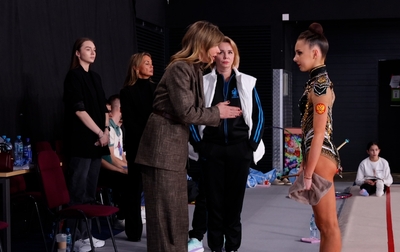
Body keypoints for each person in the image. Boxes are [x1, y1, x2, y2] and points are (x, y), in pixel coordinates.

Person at [134, 21, 242, 252]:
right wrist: (217, 112)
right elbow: (186, 111)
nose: (218, 53)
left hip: (171, 149)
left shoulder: (192, 69)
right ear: (203, 44)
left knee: (176, 216)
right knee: (165, 218)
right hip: (161, 150)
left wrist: (215, 111)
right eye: (216, 47)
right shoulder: (180, 68)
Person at [188, 36, 265, 252]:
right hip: (211, 150)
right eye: (221, 52)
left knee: (234, 203)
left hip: (240, 150)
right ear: (214, 56)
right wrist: (199, 145)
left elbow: (259, 116)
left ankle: (232, 246)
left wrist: (251, 145)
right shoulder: (203, 82)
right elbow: (193, 115)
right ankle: (215, 246)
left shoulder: (247, 82)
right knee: (213, 203)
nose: (225, 56)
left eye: (229, 52)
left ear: (235, 55)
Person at [291, 23, 342, 252]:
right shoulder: (315, 82)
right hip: (316, 155)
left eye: (299, 53)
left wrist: (309, 171)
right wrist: (305, 165)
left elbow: (319, 132)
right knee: (324, 226)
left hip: (321, 156)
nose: (294, 58)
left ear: (315, 53)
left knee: (329, 226)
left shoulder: (320, 85)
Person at [63, 37, 109, 252]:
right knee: (78, 191)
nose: (93, 52)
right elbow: (79, 110)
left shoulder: (96, 77)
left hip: (98, 142)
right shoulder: (73, 76)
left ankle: (86, 235)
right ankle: (73, 237)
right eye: (88, 49)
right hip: (81, 142)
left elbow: (104, 109)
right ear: (78, 53)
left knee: (90, 191)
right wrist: (100, 131)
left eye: (95, 49)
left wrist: (106, 131)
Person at [119, 52, 156, 242]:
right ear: (136, 67)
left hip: (156, 145)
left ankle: (156, 232)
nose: (151, 66)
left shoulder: (156, 89)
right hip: (137, 145)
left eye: (151, 63)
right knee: (134, 189)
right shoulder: (126, 92)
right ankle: (133, 231)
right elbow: (130, 122)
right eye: (146, 63)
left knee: (155, 191)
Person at [98, 94, 128, 229]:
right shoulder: (108, 128)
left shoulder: (119, 129)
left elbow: (121, 156)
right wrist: (123, 169)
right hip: (105, 170)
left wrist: (127, 166)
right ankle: (120, 217)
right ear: (121, 109)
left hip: (115, 166)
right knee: (125, 179)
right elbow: (109, 158)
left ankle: (133, 212)